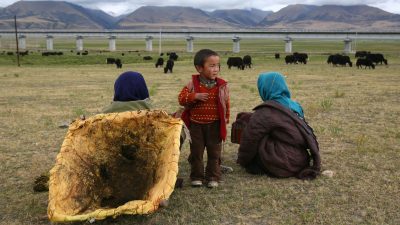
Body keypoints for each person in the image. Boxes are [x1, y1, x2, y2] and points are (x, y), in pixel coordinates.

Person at [236, 72, 321, 180]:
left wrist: (242, 160)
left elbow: (250, 139)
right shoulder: (295, 105)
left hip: (283, 162)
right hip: (301, 159)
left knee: (255, 132)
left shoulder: (265, 112)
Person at [178, 49, 230, 188]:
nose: (216, 69)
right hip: (196, 126)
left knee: (214, 153)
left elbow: (226, 103)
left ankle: (213, 177)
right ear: (199, 68)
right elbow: (181, 99)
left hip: (215, 124)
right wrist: (194, 96)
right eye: (212, 66)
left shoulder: (222, 85)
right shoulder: (192, 84)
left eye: (218, 65)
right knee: (196, 152)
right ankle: (197, 177)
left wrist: (226, 119)